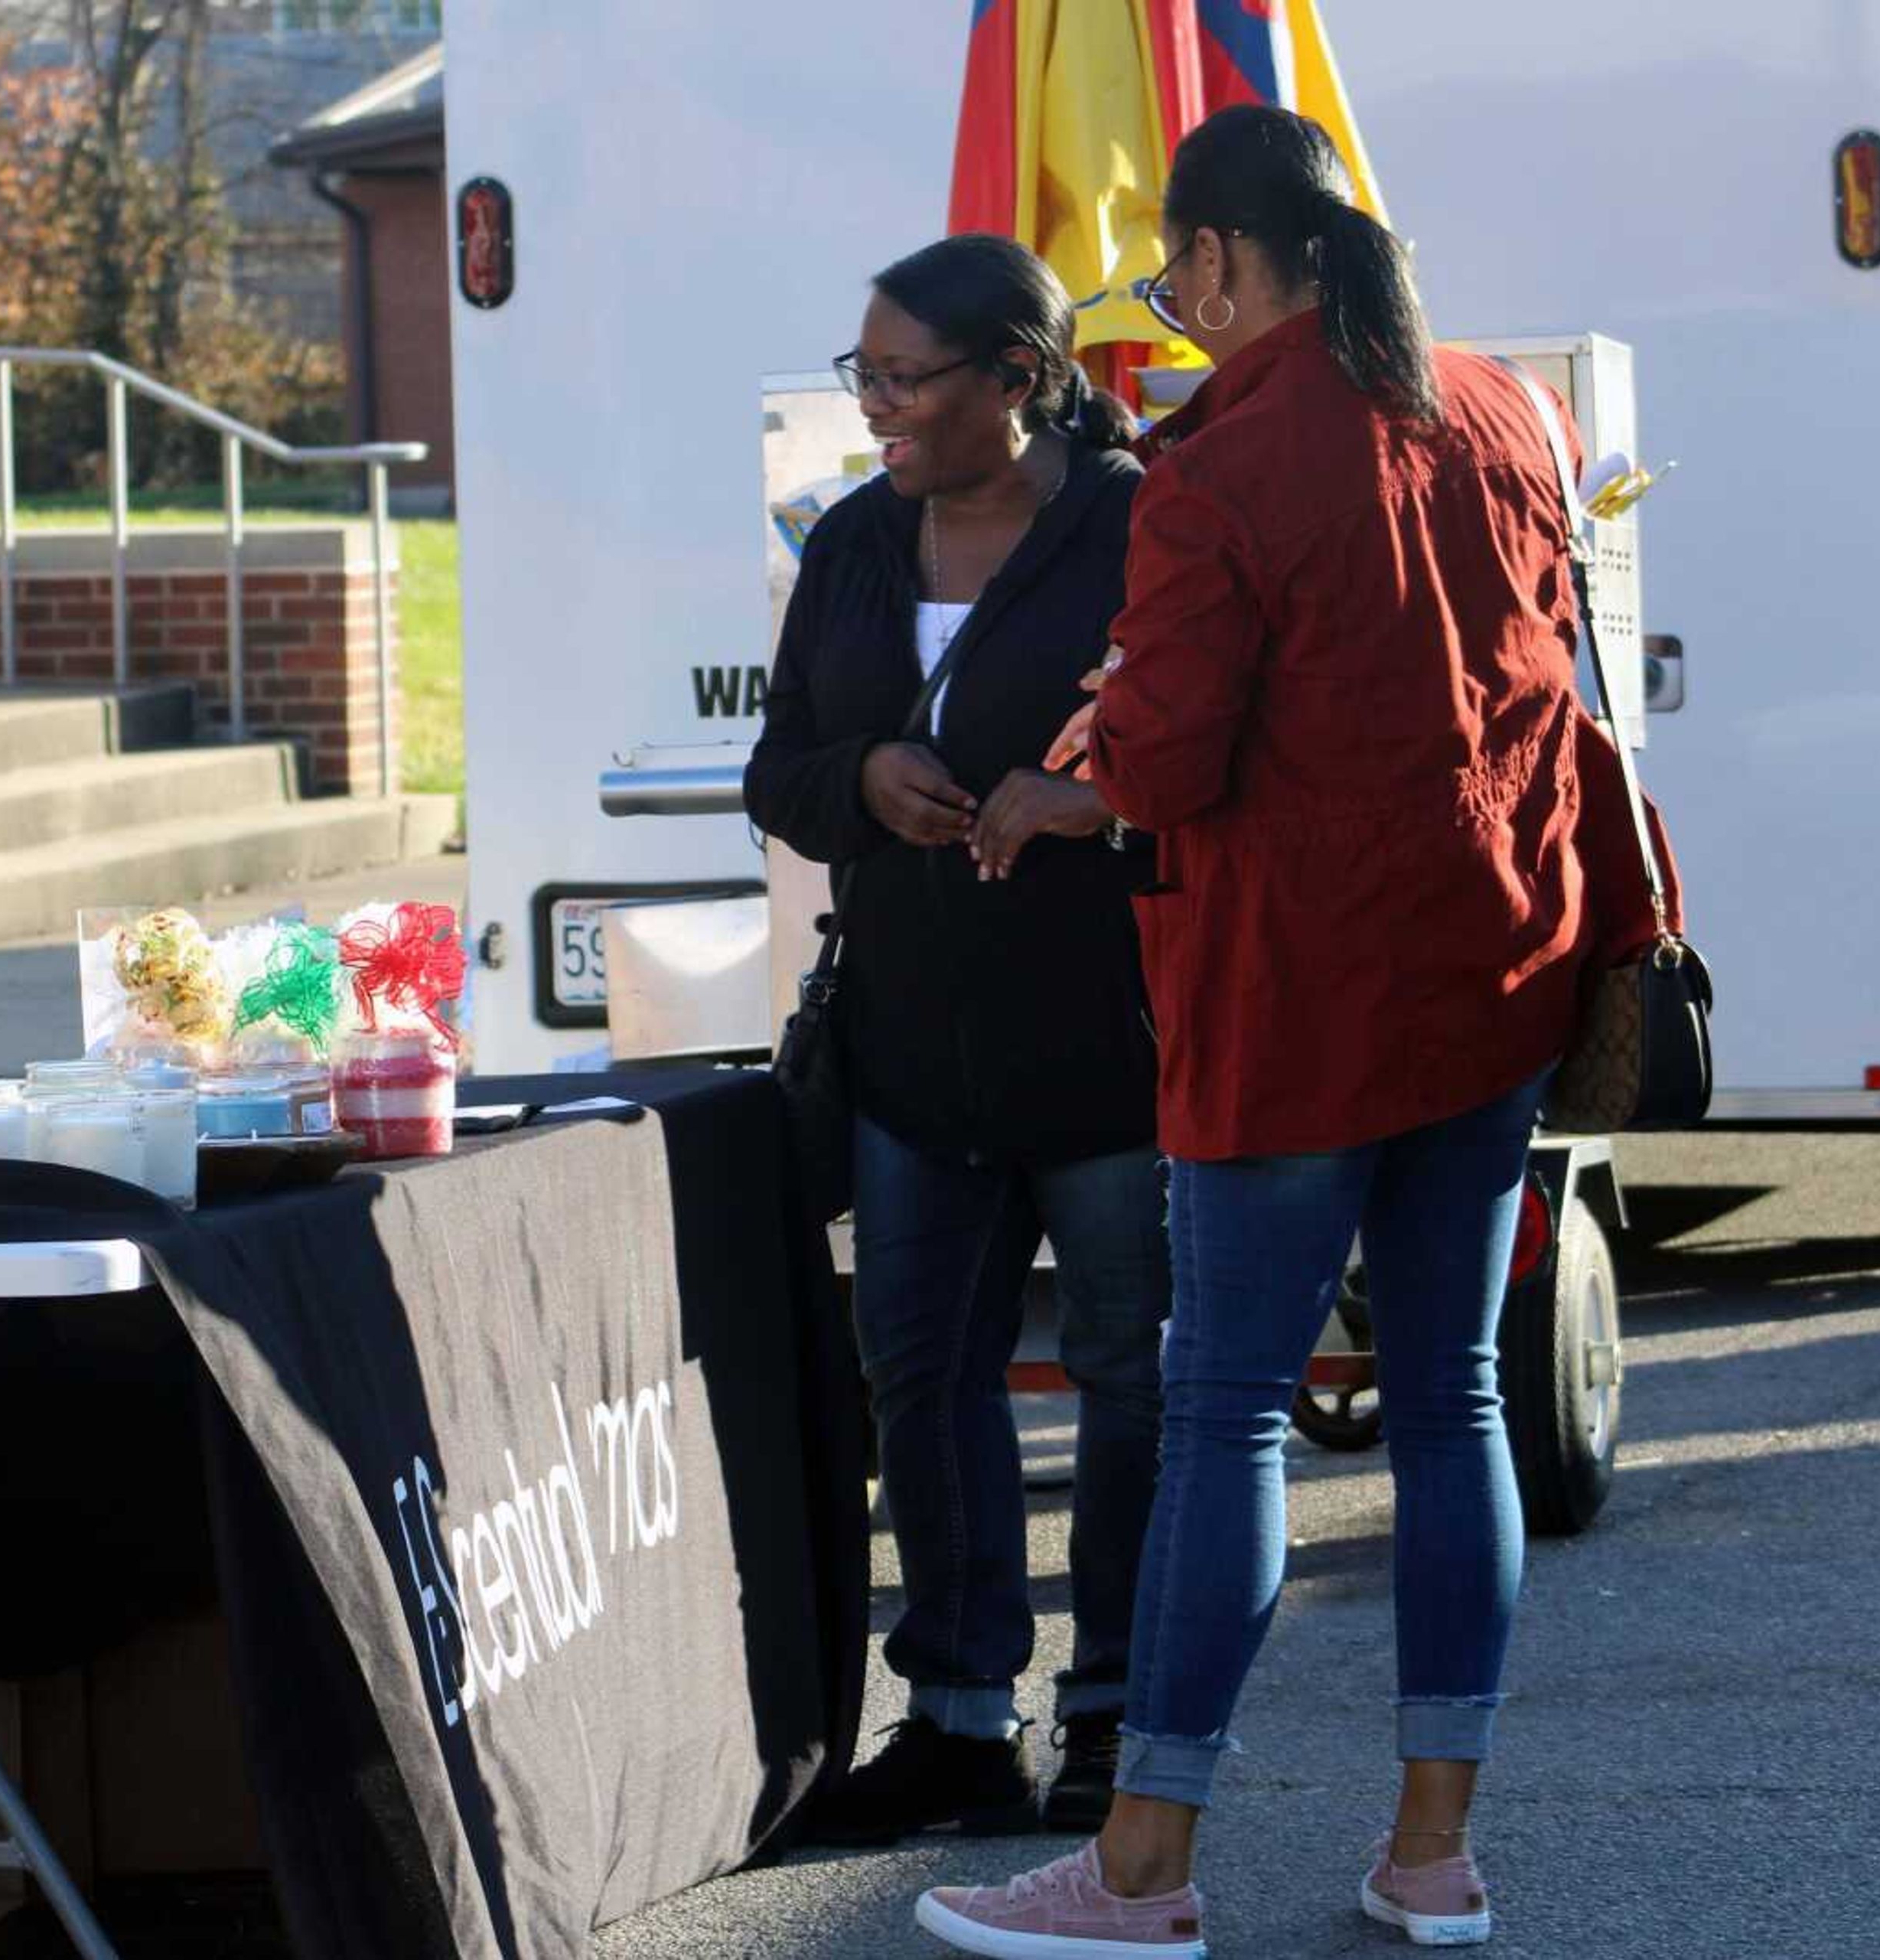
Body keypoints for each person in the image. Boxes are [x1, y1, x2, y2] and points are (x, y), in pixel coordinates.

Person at [918, 108, 1626, 1957]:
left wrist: (1081, 752)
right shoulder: (1491, 408)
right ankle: (1431, 1854)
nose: (1166, 301)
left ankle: (1142, 1863)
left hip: (1298, 992)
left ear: (1231, 263)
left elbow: (1164, 756)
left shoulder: (1218, 467)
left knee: (1230, 1404)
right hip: (1494, 965)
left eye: (1172, 270)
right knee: (1455, 1385)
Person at [746, 235, 1168, 1843]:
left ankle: (1119, 1714)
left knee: (1129, 1379)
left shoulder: (1137, 527)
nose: (879, 409)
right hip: (911, 1050)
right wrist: (858, 779)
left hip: (1109, 1044)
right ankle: (959, 1715)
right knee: (920, 1375)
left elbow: (1212, 758)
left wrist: (1089, 803)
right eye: (866, 374)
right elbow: (780, 769)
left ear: (1023, 378)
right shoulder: (855, 539)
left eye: (911, 378)